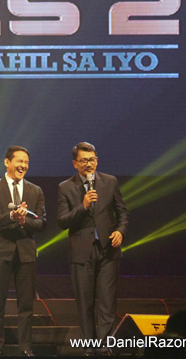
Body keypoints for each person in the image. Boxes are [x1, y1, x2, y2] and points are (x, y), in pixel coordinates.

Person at [57, 142, 129, 356]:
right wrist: (84, 206)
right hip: (81, 254)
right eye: (84, 160)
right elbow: (62, 221)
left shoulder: (110, 182)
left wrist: (120, 232)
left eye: (92, 160)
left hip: (108, 251)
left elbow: (123, 213)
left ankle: (106, 347)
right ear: (75, 163)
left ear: (97, 160)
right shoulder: (65, 187)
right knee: (85, 304)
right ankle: (90, 347)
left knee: (107, 303)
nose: (89, 164)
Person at [0, 146, 47, 357]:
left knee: (26, 304)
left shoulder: (35, 190)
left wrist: (24, 221)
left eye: (26, 162)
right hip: (1, 252)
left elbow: (41, 222)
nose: (23, 166)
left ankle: (25, 347)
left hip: (26, 253)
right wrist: (12, 217)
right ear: (7, 162)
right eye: (19, 161)